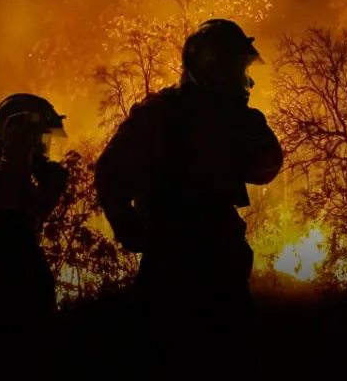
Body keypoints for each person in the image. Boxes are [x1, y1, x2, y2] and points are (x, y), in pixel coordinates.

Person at [94, 19, 283, 373]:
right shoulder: (159, 115)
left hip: (217, 261)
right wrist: (131, 228)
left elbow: (266, 168)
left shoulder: (232, 118)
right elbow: (111, 172)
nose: (245, 79)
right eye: (237, 68)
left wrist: (249, 129)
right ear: (214, 67)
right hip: (173, 264)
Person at [0, 94, 69, 355]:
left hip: (19, 295)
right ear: (19, 138)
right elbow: (7, 201)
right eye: (39, 140)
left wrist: (50, 188)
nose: (44, 149)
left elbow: (28, 217)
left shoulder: (8, 170)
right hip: (0, 294)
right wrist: (21, 161)